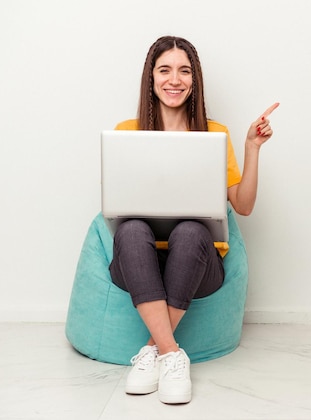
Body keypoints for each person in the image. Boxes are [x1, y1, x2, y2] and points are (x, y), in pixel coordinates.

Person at [108, 35, 279, 404]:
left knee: (190, 230)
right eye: (164, 70)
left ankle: (154, 352)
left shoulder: (215, 133)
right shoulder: (126, 131)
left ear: (194, 80)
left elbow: (244, 206)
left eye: (184, 71)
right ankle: (172, 355)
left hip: (200, 264)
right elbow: (116, 206)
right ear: (151, 78)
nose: (174, 80)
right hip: (139, 262)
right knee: (132, 229)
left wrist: (252, 147)